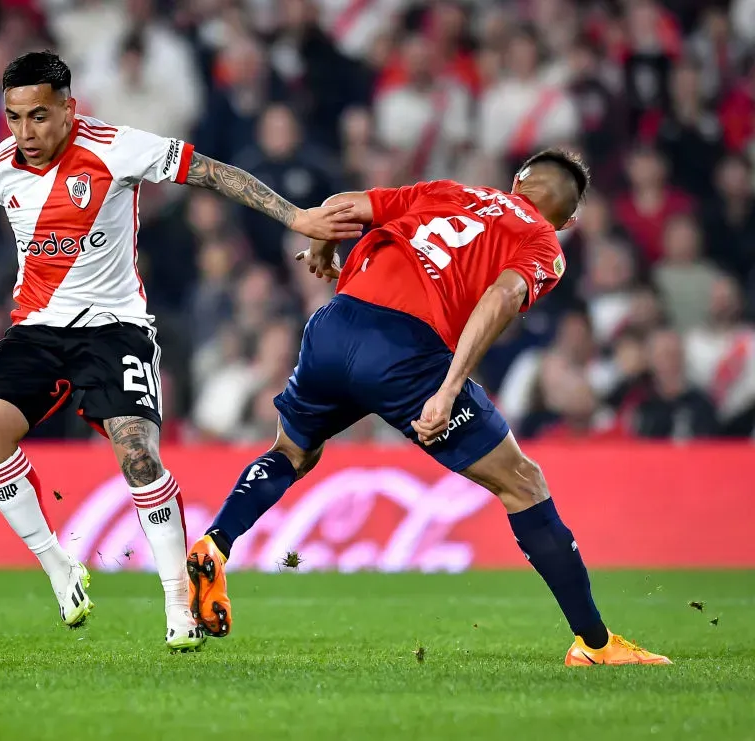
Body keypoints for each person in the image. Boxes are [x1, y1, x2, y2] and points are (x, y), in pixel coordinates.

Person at [188, 149, 672, 667]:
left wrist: (323, 250)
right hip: (405, 350)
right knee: (523, 483)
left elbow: (340, 207)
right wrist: (449, 387)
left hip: (333, 326)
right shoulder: (541, 240)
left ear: (517, 182)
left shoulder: (447, 191)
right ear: (569, 221)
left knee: (292, 451)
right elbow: (501, 299)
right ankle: (595, 644)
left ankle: (216, 542)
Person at [0, 51, 361, 651]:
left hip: (114, 330)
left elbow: (214, 173)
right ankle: (59, 568)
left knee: (139, 458)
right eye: (15, 118)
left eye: (39, 116)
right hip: (37, 331)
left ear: (69, 109)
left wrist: (295, 216)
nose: (26, 132)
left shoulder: (117, 147)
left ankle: (179, 602)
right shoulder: (1, 168)